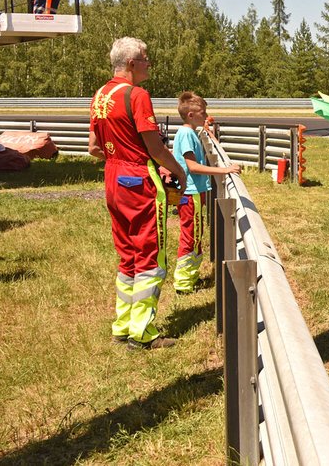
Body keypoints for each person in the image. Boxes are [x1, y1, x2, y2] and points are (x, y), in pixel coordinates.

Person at [88, 37, 187, 350]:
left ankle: (123, 324)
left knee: (127, 253)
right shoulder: (137, 95)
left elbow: (93, 148)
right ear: (131, 63)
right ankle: (142, 332)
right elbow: (155, 147)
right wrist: (179, 170)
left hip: (112, 177)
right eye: (145, 58)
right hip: (138, 177)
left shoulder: (101, 94)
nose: (149, 63)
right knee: (149, 254)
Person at [171, 91, 242, 294]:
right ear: (191, 115)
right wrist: (224, 170)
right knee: (191, 236)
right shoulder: (186, 134)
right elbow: (192, 166)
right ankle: (183, 283)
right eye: (203, 113)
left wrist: (207, 130)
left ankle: (189, 278)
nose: (206, 115)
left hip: (194, 192)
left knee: (195, 233)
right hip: (190, 193)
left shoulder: (191, 132)